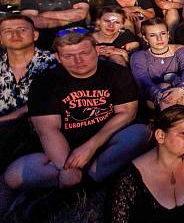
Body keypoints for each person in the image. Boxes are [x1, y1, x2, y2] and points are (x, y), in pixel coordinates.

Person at [4, 30, 149, 203]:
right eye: (69, 56)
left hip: (105, 140)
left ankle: (77, 187)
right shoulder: (46, 82)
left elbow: (127, 113)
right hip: (62, 147)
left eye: (84, 53)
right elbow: (48, 130)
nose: (78, 61)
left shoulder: (116, 73)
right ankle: (83, 182)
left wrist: (91, 146)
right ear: (58, 57)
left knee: (140, 133)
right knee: (14, 176)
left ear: (97, 51)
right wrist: (66, 167)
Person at [0, 15, 57, 215]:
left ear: (35, 35)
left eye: (21, 29)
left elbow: (45, 105)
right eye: (8, 31)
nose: (14, 34)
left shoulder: (52, 63)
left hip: (38, 133)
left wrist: (8, 119)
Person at [130, 18, 184, 111]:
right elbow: (143, 80)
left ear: (168, 34)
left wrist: (181, 89)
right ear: (145, 38)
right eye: (153, 35)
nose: (159, 38)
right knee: (164, 86)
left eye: (163, 33)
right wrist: (161, 95)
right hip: (153, 98)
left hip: (181, 91)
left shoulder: (179, 50)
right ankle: (170, 122)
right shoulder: (139, 56)